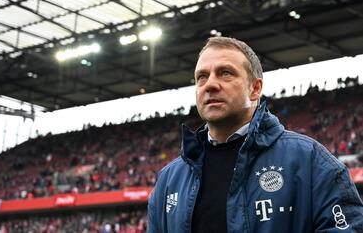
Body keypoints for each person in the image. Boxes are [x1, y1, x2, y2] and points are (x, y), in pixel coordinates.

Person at [147, 37, 363, 233]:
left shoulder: (310, 160)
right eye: (202, 77)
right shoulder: (169, 179)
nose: (210, 84)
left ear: (255, 88)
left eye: (225, 73)